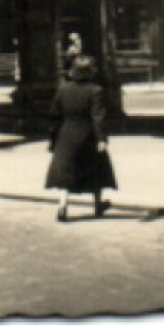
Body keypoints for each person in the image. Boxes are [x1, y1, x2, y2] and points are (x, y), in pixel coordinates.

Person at [46, 55, 117, 222]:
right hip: (88, 135)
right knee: (97, 169)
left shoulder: (63, 89)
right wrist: (101, 139)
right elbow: (98, 116)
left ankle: (62, 206)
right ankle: (98, 204)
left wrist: (53, 138)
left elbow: (54, 114)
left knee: (67, 173)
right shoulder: (95, 90)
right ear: (90, 72)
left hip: (66, 134)